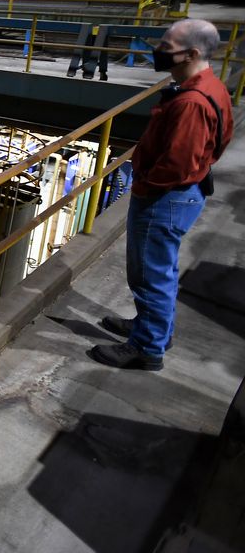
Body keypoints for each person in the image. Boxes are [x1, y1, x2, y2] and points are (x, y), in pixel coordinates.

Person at [90, 19, 233, 370]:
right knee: (161, 270)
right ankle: (152, 328)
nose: (160, 51)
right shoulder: (212, 88)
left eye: (167, 47)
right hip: (183, 195)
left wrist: (144, 186)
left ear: (192, 53)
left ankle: (146, 347)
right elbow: (221, 142)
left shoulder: (191, 104)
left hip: (165, 199)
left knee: (149, 274)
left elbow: (177, 165)